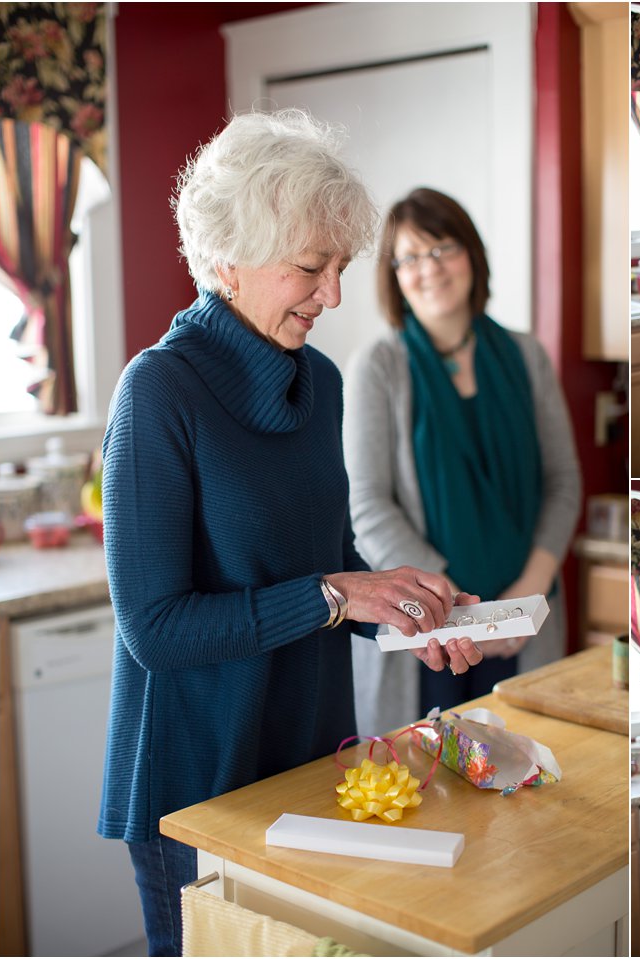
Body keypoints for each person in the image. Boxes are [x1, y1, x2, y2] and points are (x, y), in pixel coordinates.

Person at [96, 110, 485, 957]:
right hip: (197, 783)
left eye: (340, 266)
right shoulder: (158, 392)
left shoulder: (321, 384)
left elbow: (329, 564)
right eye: (310, 267)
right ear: (228, 258)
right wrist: (338, 593)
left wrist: (406, 610)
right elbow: (154, 629)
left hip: (306, 762)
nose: (333, 295)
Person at [344, 187, 581, 735]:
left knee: (527, 768)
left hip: (527, 620)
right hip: (427, 630)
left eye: (442, 248)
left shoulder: (527, 356)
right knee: (420, 773)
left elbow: (564, 482)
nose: (429, 268)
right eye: (410, 257)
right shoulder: (377, 367)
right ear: (394, 277)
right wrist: (452, 608)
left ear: (471, 254)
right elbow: (368, 505)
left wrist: (525, 596)